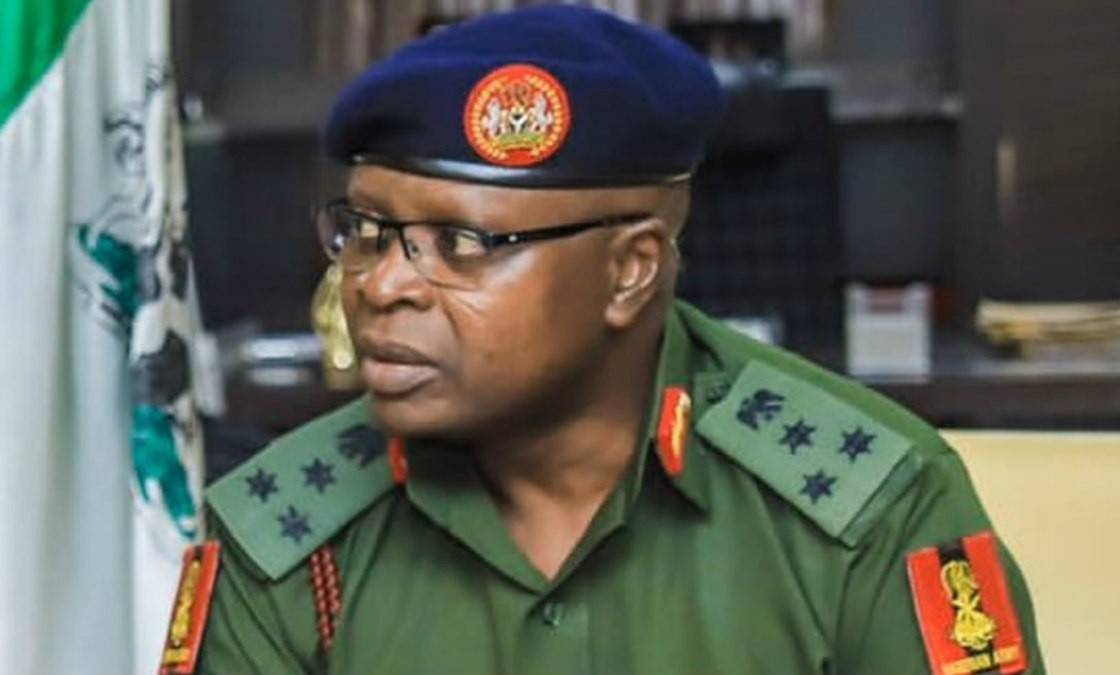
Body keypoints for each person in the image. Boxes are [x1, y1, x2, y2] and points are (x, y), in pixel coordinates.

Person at [158, 6, 1044, 675]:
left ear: (630, 270)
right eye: (367, 231)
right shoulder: (290, 534)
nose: (382, 285)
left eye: (461, 242)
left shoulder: (864, 510)